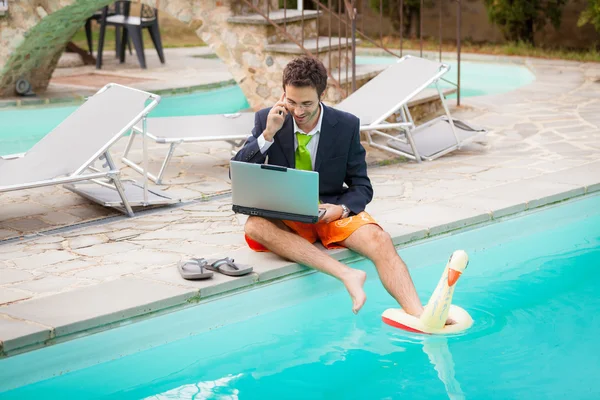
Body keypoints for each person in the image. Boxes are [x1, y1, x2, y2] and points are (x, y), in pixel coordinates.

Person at [232, 56, 448, 322]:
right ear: (283, 93)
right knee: (254, 225)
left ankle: (419, 312)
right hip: (287, 212)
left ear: (322, 95)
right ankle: (347, 274)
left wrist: (341, 209)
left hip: (330, 211)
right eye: (291, 101)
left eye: (306, 104)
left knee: (379, 239)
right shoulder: (268, 119)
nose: (298, 111)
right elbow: (237, 172)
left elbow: (362, 185)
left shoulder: (345, 125)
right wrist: (267, 136)